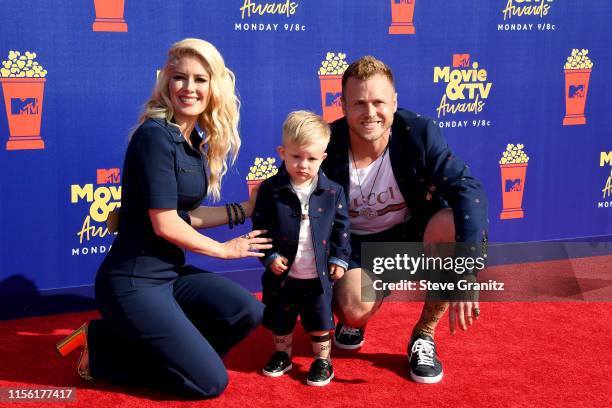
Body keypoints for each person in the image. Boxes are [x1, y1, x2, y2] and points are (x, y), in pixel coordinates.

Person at [55, 38, 273, 399]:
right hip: (132, 282)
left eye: (200, 79)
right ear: (166, 82)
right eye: (179, 78)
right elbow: (165, 224)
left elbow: (185, 216)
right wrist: (225, 251)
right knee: (210, 384)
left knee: (246, 310)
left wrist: (245, 210)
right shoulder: (154, 137)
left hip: (169, 276)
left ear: (213, 86)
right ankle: (103, 351)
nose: (189, 88)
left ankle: (177, 355)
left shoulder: (192, 141)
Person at [321, 56, 489, 384]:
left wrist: (468, 267)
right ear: (342, 105)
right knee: (354, 309)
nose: (370, 113)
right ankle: (360, 306)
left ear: (394, 102)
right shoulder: (327, 142)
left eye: (379, 102)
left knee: (454, 223)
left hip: (409, 236)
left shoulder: (419, 133)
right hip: (353, 246)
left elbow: (468, 190)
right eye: (359, 103)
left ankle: (424, 335)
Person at [252, 111, 350, 386]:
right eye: (296, 157)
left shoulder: (333, 191)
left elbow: (342, 228)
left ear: (323, 158)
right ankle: (282, 355)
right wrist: (269, 256)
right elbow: (260, 228)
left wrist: (340, 259)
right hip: (283, 276)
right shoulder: (271, 190)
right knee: (281, 320)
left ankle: (322, 361)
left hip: (318, 275)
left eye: (312, 158)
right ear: (282, 152)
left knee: (320, 321)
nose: (303, 165)